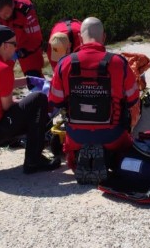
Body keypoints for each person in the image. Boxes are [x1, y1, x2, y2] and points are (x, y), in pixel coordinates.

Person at [49, 17, 140, 184]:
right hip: (113, 136)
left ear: (80, 37)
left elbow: (55, 101)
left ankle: (78, 157)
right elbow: (133, 99)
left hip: (76, 136)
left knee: (71, 142)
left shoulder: (64, 64)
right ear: (103, 37)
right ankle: (112, 157)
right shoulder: (119, 63)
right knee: (127, 139)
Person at [0, 25, 61, 174]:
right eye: (14, 45)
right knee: (38, 99)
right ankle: (33, 161)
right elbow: (7, 107)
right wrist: (21, 102)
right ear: (5, 45)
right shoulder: (2, 68)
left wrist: (26, 80)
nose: (16, 49)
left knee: (24, 104)